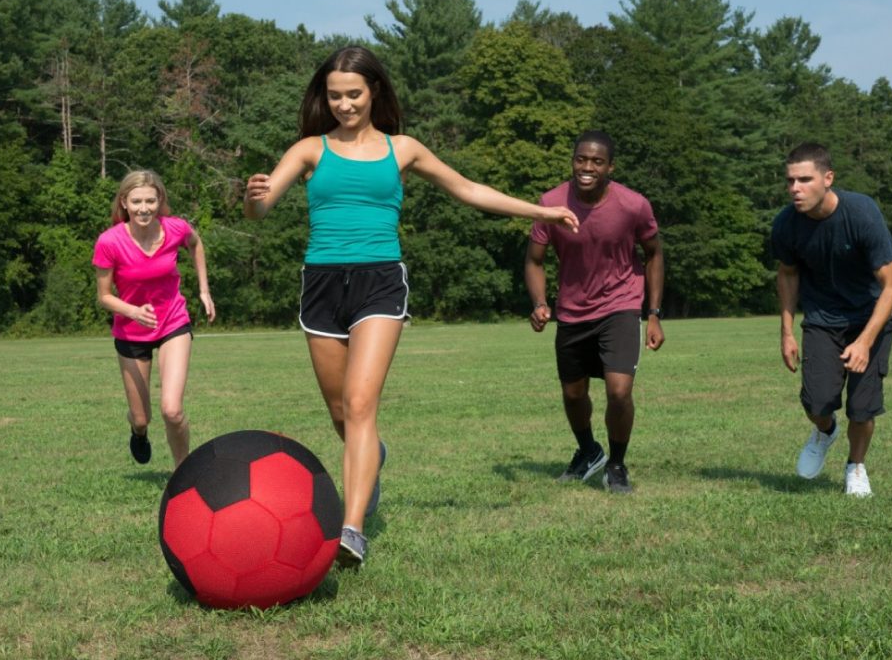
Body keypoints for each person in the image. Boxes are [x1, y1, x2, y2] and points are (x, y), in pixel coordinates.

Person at [243, 45, 579, 569]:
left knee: (359, 406)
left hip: (380, 281)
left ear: (374, 90)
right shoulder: (309, 149)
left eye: (353, 94)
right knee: (341, 414)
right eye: (334, 96)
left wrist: (542, 211)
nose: (344, 105)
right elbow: (261, 210)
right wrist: (253, 195)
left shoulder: (403, 149)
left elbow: (467, 189)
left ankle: (351, 529)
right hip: (322, 284)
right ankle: (371, 458)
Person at [524, 130, 664, 494]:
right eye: (581, 159)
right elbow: (534, 261)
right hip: (571, 311)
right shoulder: (552, 203)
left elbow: (654, 254)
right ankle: (588, 451)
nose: (587, 167)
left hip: (620, 305)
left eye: (596, 161)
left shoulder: (634, 205)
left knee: (619, 391)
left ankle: (616, 465)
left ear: (610, 167)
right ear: (573, 160)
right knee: (573, 394)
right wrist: (540, 302)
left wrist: (653, 313)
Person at [772, 142, 892, 497]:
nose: (795, 189)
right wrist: (786, 333)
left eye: (805, 179)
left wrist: (864, 341)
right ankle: (825, 431)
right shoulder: (786, 224)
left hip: (872, 314)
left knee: (862, 407)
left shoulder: (861, 213)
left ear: (828, 178)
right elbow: (787, 274)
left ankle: (855, 467)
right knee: (817, 401)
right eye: (790, 181)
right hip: (823, 317)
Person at [93, 170, 216, 469]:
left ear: (160, 200)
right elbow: (104, 296)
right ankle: (138, 431)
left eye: (150, 200)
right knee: (141, 416)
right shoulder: (109, 242)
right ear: (124, 202)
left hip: (173, 321)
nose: (144, 208)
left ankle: (183, 473)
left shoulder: (175, 228)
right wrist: (132, 311)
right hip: (131, 331)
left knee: (172, 411)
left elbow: (196, 245)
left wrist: (204, 290)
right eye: (136, 201)